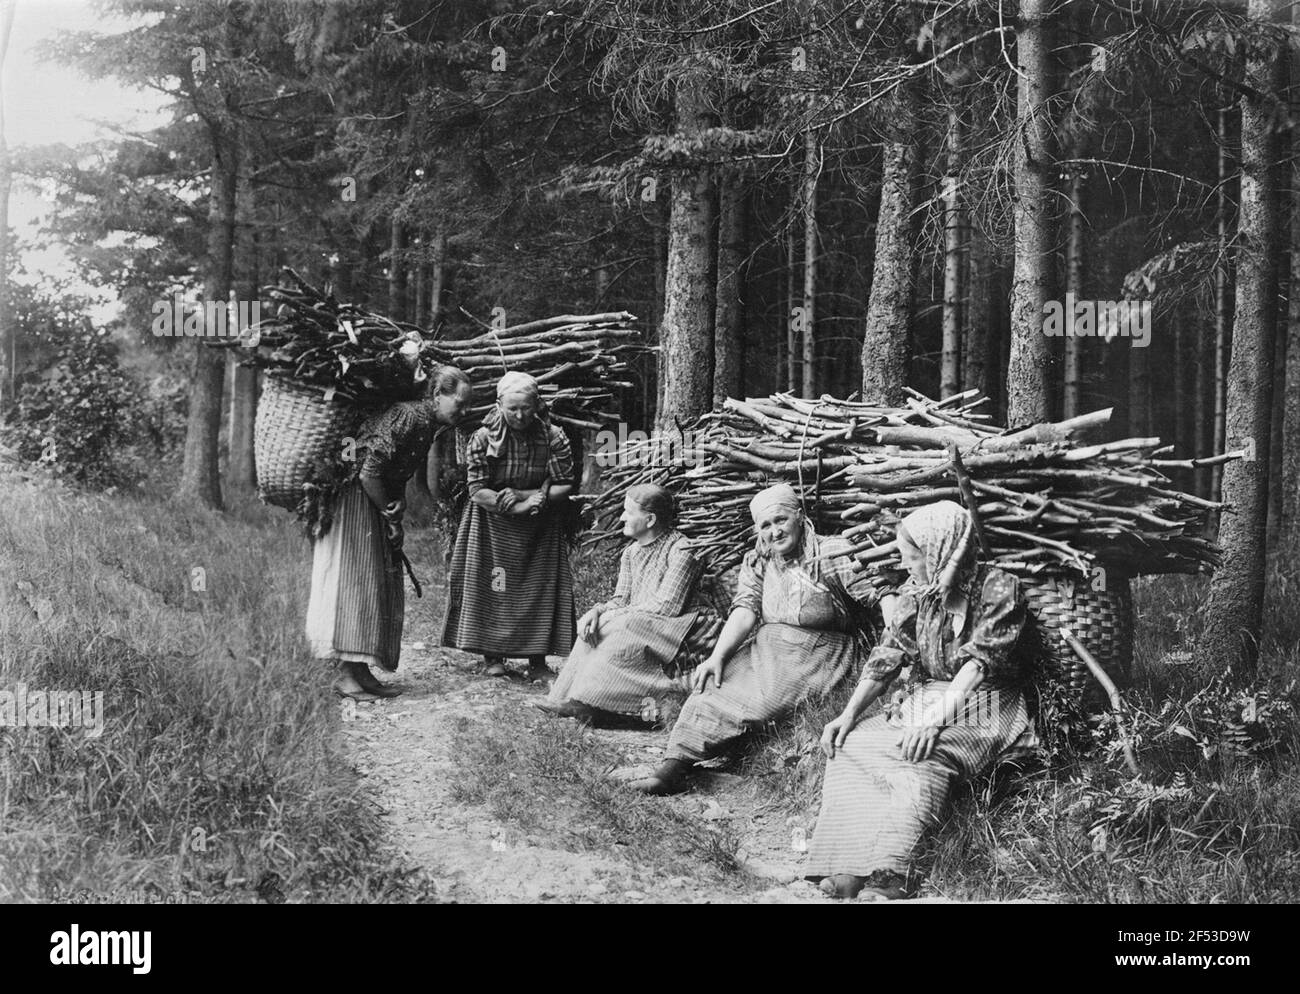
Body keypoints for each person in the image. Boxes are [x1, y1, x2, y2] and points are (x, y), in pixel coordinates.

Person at [805, 500, 1037, 900]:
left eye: (911, 556)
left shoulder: (999, 587)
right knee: (853, 744)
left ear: (938, 551)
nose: (906, 565)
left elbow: (980, 665)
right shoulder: (919, 592)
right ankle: (847, 864)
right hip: (934, 695)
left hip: (989, 699)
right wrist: (847, 715)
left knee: (923, 753)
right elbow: (887, 656)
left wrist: (935, 721)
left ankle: (892, 870)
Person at [630, 482, 883, 795]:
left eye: (781, 520)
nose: (774, 532)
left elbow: (880, 594)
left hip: (820, 652)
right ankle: (671, 768)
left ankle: (722, 752)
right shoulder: (761, 559)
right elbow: (745, 610)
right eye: (765, 525)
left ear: (800, 516)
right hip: (767, 648)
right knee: (712, 688)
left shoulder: (831, 553)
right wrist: (718, 656)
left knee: (763, 701)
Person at [308, 365, 473, 701]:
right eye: (459, 402)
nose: (463, 410)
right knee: (356, 581)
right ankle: (343, 675)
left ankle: (361, 670)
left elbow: (393, 473)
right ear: (436, 396)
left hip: (372, 501)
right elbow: (369, 472)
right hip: (355, 498)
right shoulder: (409, 416)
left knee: (376, 583)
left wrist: (393, 512)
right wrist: (388, 511)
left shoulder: (428, 425)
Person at [537, 484, 720, 727]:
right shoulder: (631, 553)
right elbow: (621, 600)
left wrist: (615, 616)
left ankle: (591, 702)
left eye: (628, 512)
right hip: (643, 621)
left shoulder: (682, 549)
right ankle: (569, 696)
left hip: (684, 626)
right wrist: (597, 611)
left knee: (622, 625)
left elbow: (668, 606)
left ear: (650, 519)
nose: (622, 517)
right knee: (595, 625)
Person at [441, 371, 576, 680]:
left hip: (540, 526)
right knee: (494, 587)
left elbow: (565, 484)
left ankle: (537, 661)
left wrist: (532, 497)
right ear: (499, 404)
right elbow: (478, 491)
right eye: (512, 408)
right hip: (492, 524)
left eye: (526, 407)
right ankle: (493, 655)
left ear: (537, 404)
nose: (519, 415)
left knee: (538, 591)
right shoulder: (483, 437)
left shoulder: (553, 436)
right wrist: (520, 504)